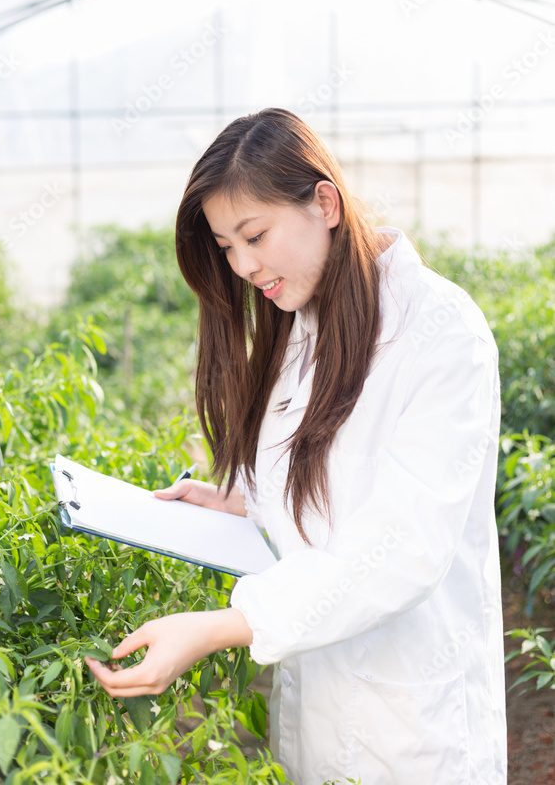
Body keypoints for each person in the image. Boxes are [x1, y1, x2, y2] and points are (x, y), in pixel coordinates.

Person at [85, 108, 507, 785]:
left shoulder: (440, 332)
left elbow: (400, 546)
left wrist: (220, 625)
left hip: (411, 728)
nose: (244, 265)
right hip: (317, 704)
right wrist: (240, 503)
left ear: (324, 202)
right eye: (225, 246)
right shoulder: (301, 328)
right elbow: (330, 491)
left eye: (254, 235)